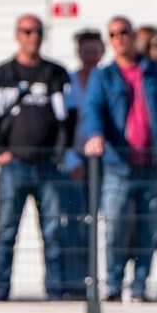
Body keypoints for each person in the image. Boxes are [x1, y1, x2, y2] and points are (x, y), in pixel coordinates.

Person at [0, 14, 74, 301]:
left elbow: (70, 115)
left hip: (48, 166)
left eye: (38, 31)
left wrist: (63, 152)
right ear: (17, 35)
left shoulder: (56, 73)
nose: (33, 37)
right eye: (27, 31)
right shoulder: (1, 74)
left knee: (53, 232)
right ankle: (1, 288)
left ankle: (55, 289)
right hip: (14, 166)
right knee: (7, 231)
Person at [82, 16, 157, 302]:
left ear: (133, 35)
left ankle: (139, 287)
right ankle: (112, 284)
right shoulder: (104, 76)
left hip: (150, 165)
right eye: (113, 34)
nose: (119, 38)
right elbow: (93, 109)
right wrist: (95, 135)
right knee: (114, 225)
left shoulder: (156, 73)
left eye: (124, 32)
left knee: (149, 229)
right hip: (117, 166)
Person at [58, 28, 104, 298]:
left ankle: (104, 280)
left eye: (95, 51)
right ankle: (76, 282)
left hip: (104, 160)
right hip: (76, 160)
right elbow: (61, 124)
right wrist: (70, 158)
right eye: (86, 51)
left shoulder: (107, 79)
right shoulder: (69, 82)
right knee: (76, 221)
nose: (90, 56)